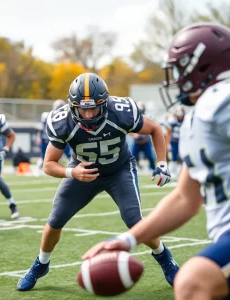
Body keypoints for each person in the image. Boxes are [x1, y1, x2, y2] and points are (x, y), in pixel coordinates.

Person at [83, 23, 230, 300]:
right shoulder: (199, 117)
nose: (174, 78)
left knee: (194, 282)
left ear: (200, 66)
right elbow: (185, 199)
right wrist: (128, 240)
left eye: (178, 69)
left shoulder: (225, 97)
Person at [17, 72, 178, 292]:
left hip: (119, 170)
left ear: (105, 102)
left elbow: (155, 129)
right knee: (55, 220)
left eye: (94, 107)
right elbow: (48, 164)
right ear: (72, 106)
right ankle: (41, 264)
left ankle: (165, 258)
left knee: (134, 220)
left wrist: (162, 163)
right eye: (83, 108)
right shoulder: (62, 121)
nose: (89, 114)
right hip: (83, 172)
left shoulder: (122, 112)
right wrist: (72, 173)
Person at [35, 99, 71, 176]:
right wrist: (39, 138)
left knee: (68, 154)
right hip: (47, 138)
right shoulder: (48, 115)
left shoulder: (66, 115)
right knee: (43, 156)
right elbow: (41, 129)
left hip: (62, 138)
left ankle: (70, 169)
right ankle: (37, 170)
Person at [130, 101, 156, 171]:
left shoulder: (148, 117)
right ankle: (134, 168)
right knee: (133, 156)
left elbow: (153, 128)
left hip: (145, 141)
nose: (140, 111)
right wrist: (134, 135)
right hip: (137, 142)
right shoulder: (132, 117)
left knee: (150, 156)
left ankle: (152, 168)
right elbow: (129, 129)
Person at [165, 106, 185, 178]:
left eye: (181, 114)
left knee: (182, 158)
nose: (180, 116)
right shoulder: (172, 121)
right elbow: (168, 132)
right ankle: (172, 173)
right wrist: (167, 144)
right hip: (174, 141)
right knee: (174, 157)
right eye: (178, 114)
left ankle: (179, 173)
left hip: (183, 142)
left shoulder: (186, 120)